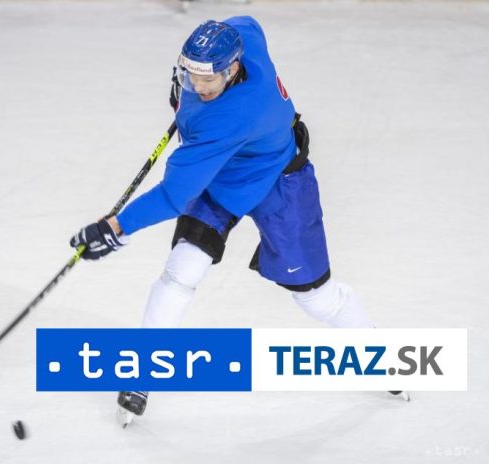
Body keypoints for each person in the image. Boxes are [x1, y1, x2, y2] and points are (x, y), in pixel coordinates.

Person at [70, 17, 394, 421]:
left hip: (280, 182)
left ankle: (380, 354)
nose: (198, 86)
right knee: (183, 269)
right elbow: (245, 22)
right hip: (222, 175)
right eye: (191, 75)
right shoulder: (244, 38)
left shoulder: (229, 117)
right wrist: (187, 96)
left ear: (233, 68)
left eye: (208, 80)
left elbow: (173, 195)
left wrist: (116, 228)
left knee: (316, 297)